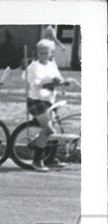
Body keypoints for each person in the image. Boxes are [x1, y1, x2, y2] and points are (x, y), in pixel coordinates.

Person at [22, 38, 74, 171]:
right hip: (36, 101)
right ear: (37, 53)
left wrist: (61, 80)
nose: (44, 55)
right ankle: (37, 160)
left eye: (47, 53)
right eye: (41, 53)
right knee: (48, 130)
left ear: (51, 53)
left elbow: (57, 77)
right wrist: (57, 83)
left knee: (53, 129)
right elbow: (39, 84)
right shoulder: (34, 67)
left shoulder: (51, 64)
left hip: (48, 101)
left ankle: (50, 159)